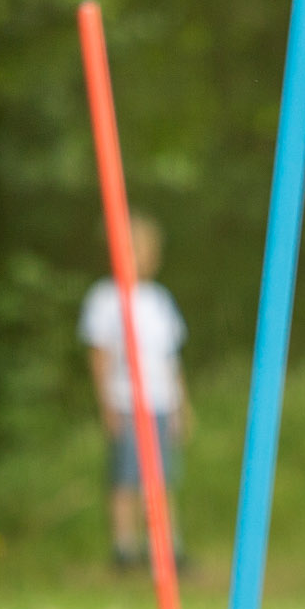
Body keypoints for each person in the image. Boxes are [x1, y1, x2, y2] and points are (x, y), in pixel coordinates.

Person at [79, 212, 191, 570]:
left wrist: (181, 405)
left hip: (160, 402)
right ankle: (124, 548)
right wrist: (106, 404)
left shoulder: (159, 300)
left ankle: (165, 547)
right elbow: (99, 357)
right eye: (129, 250)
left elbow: (171, 359)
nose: (137, 258)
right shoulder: (104, 299)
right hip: (126, 402)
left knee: (161, 479)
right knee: (125, 477)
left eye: (143, 251)